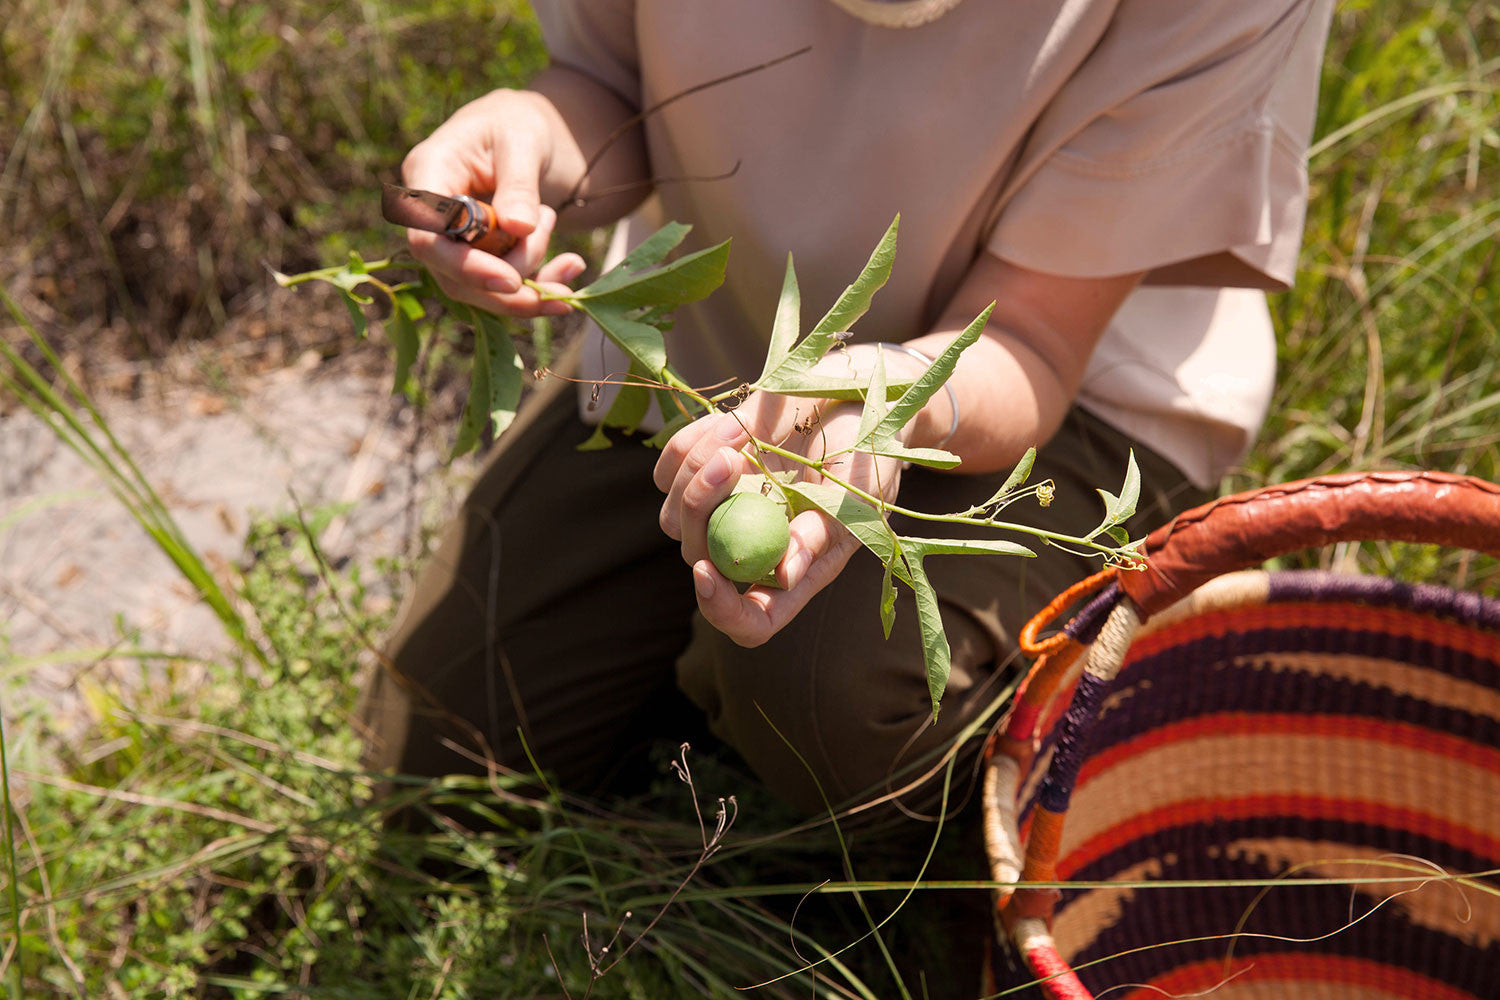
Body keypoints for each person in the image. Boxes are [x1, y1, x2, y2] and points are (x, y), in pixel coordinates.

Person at [360, 0, 1335, 817]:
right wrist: (529, 141)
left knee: (828, 706)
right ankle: (704, 671)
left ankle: (970, 762)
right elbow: (614, 94)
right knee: (434, 753)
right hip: (723, 335)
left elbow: (1034, 337)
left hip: (1053, 393)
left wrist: (889, 405)